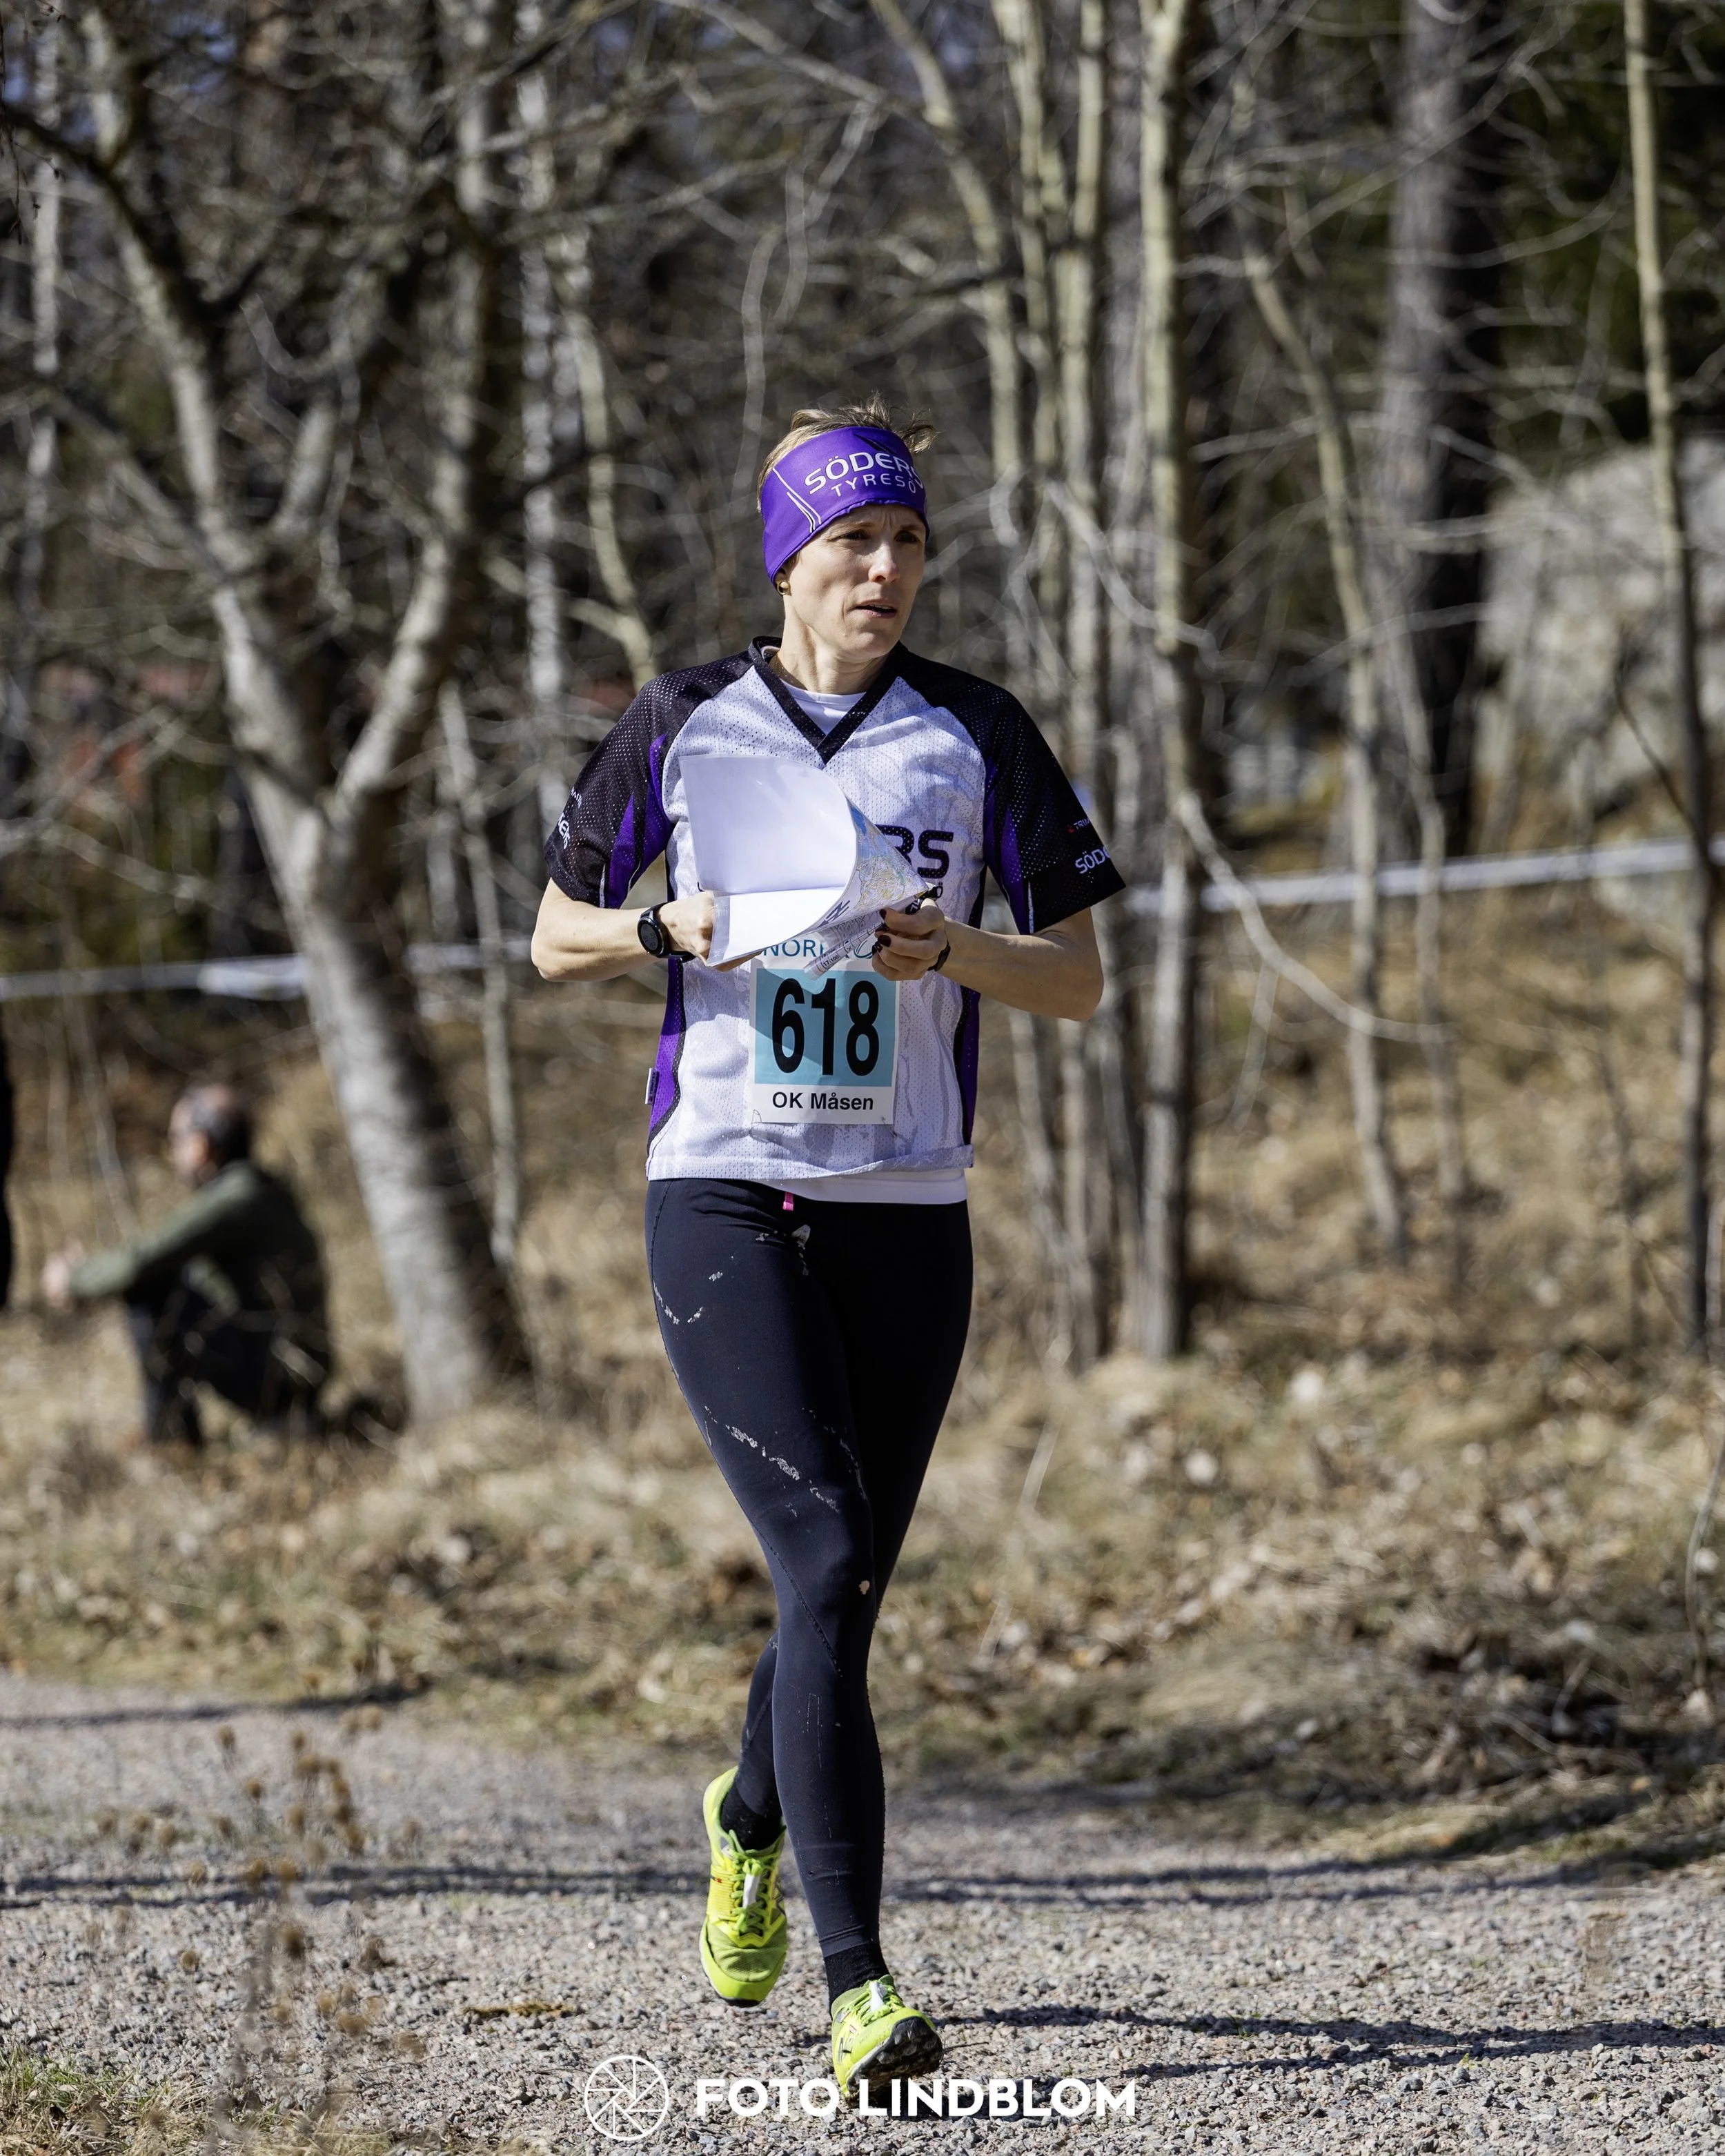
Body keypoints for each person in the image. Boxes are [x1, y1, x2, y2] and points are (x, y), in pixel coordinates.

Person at [531, 398, 1125, 2100]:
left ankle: (741, 1808)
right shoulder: (682, 719)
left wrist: (961, 953)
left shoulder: (973, 731)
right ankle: (863, 1982)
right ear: (789, 558)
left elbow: (1078, 977)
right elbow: (551, 933)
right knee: (819, 1547)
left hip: (907, 1204)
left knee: (844, 1582)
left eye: (910, 545)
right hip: (719, 1182)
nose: (885, 571)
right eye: (855, 543)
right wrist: (667, 919)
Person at [41, 1083, 330, 1445]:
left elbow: (144, 1260)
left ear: (202, 1145)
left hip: (280, 1381)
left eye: (177, 1137)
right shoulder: (256, 1189)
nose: (172, 1150)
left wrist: (74, 1280)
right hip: (294, 1373)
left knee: (152, 1288)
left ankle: (170, 1442)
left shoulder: (235, 1198)